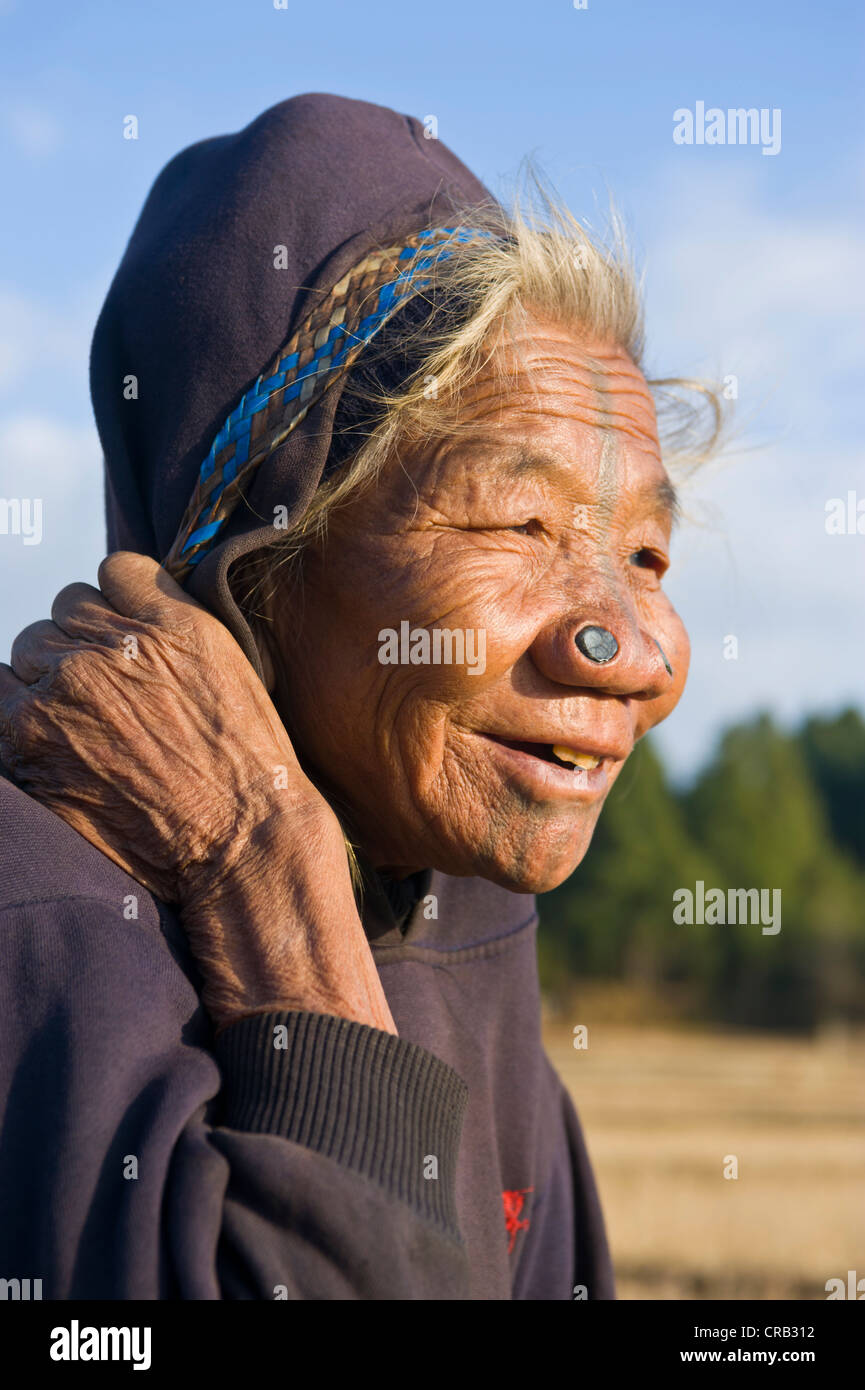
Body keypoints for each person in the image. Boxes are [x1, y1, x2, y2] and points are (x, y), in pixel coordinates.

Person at [0, 92, 717, 1299]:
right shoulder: (43, 921)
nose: (633, 651)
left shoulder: (465, 915)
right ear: (253, 565)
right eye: (520, 520)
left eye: (646, 555)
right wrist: (256, 854)